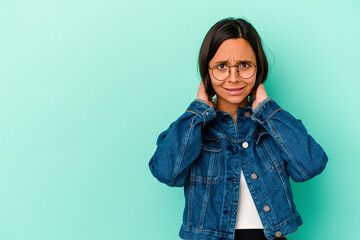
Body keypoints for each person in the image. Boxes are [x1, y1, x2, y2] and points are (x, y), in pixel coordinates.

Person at [148, 17, 328, 240]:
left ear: (258, 68)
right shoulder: (193, 127)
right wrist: (198, 111)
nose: (233, 78)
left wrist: (266, 109)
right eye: (222, 67)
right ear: (207, 71)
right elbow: (167, 172)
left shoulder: (273, 124)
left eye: (244, 65)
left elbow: (311, 165)